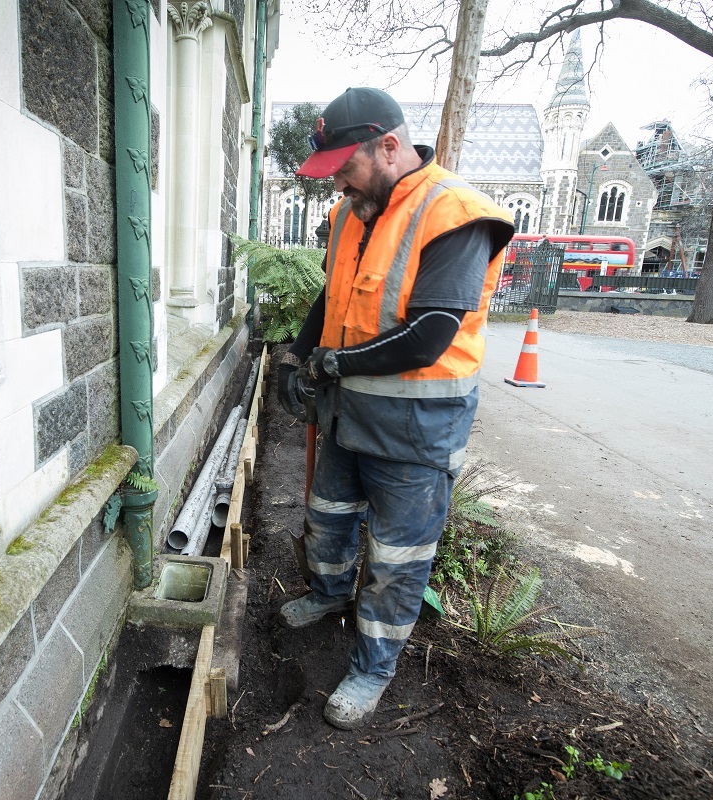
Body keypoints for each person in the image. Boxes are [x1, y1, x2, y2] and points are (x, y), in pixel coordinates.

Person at [275, 87, 515, 729]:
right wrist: (297, 356)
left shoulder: (455, 214)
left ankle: (373, 668)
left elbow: (432, 332)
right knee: (327, 520)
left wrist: (338, 364)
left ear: (388, 146)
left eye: (346, 170)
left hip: (414, 433)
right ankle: (327, 596)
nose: (342, 187)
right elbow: (334, 299)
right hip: (347, 417)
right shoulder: (352, 212)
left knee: (396, 559)